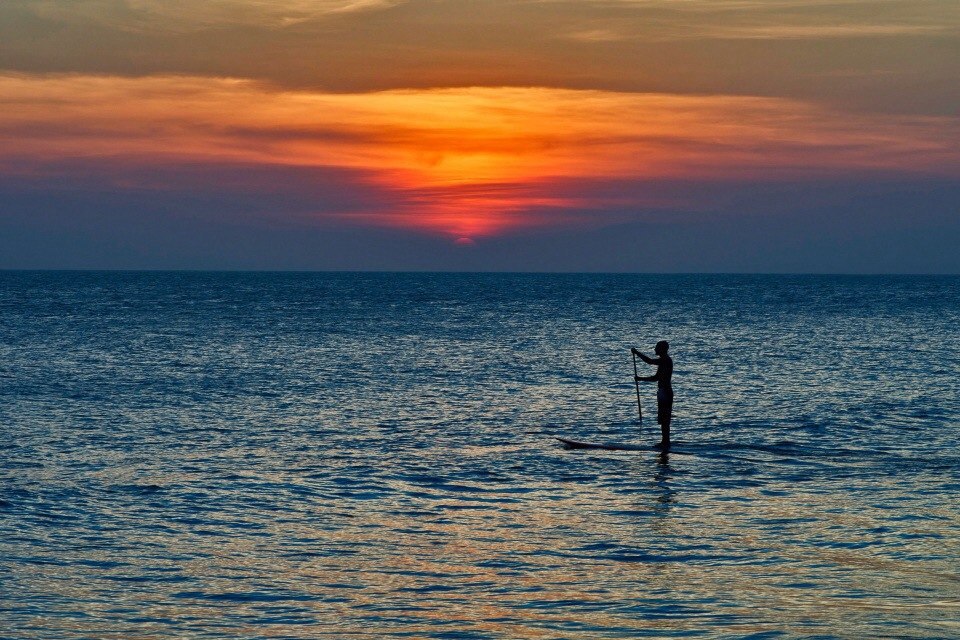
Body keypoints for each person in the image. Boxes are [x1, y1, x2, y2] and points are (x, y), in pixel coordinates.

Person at [632, 341, 673, 448]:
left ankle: (665, 442)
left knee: (665, 419)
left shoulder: (665, 360)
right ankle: (664, 441)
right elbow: (656, 378)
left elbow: (649, 361)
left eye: (657, 347)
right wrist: (640, 379)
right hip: (662, 392)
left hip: (666, 392)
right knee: (663, 418)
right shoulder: (664, 361)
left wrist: (637, 353)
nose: (655, 349)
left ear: (662, 349)